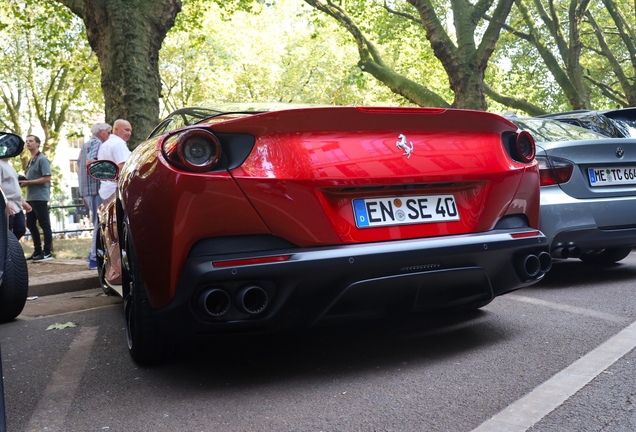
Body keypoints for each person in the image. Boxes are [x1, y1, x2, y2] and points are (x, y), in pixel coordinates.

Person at [78, 122, 111, 269]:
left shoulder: (86, 144)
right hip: (96, 188)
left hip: (87, 189)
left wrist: (81, 193)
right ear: (101, 132)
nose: (109, 136)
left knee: (97, 221)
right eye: (108, 132)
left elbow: (80, 166)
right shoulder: (97, 144)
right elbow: (90, 162)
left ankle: (93, 255)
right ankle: (93, 258)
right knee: (99, 223)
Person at [19, 134, 53, 261]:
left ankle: (48, 252)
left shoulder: (42, 159)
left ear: (38, 144)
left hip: (40, 197)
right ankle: (37, 251)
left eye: (31, 141)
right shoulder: (31, 160)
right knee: (31, 224)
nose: (28, 143)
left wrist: (29, 182)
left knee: (44, 224)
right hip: (30, 197)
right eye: (27, 141)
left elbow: (47, 178)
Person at [97, 119, 132, 200]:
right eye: (126, 130)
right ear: (116, 129)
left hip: (105, 190)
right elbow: (124, 166)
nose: (129, 133)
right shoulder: (119, 144)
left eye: (130, 131)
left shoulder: (105, 145)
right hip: (116, 192)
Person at [0, 157, 31, 239]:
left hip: (17, 205)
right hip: (7, 205)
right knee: (7, 233)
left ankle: (11, 249)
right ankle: (6, 251)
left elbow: (14, 186)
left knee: (21, 229)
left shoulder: (9, 166)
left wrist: (22, 202)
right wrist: (5, 202)